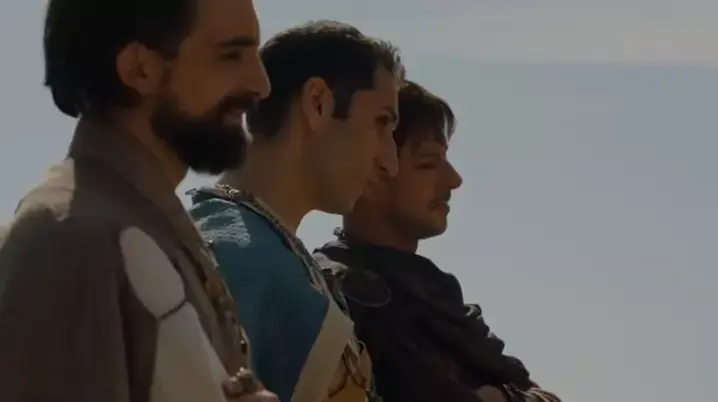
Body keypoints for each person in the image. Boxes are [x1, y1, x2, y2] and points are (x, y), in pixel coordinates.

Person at [0, 0, 277, 401]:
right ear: (139, 69)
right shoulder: (76, 239)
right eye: (231, 55)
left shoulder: (142, 225)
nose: (261, 85)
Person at [188, 20, 404, 402]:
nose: (390, 162)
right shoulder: (238, 260)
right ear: (318, 104)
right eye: (380, 123)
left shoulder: (272, 252)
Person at [315, 81, 562, 402]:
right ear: (374, 169)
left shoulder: (435, 290)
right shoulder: (345, 294)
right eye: (428, 163)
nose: (453, 179)